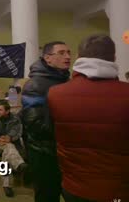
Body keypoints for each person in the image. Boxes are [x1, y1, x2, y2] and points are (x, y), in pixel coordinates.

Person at [48, 34, 129, 201]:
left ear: (79, 57)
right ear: (114, 58)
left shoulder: (55, 94)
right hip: (118, 189)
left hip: (74, 187)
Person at [19, 41, 71, 202]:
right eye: (61, 53)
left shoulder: (63, 80)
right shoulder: (36, 85)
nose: (68, 57)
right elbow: (35, 125)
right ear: (48, 58)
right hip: (44, 154)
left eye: (69, 52)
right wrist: (73, 130)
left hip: (62, 151)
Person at [0, 101, 28, 197]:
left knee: (7, 150)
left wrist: (10, 137)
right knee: (9, 148)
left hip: (10, 143)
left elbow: (18, 132)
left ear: (7, 111)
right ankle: (19, 165)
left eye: (0, 110)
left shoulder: (15, 119)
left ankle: (6, 185)